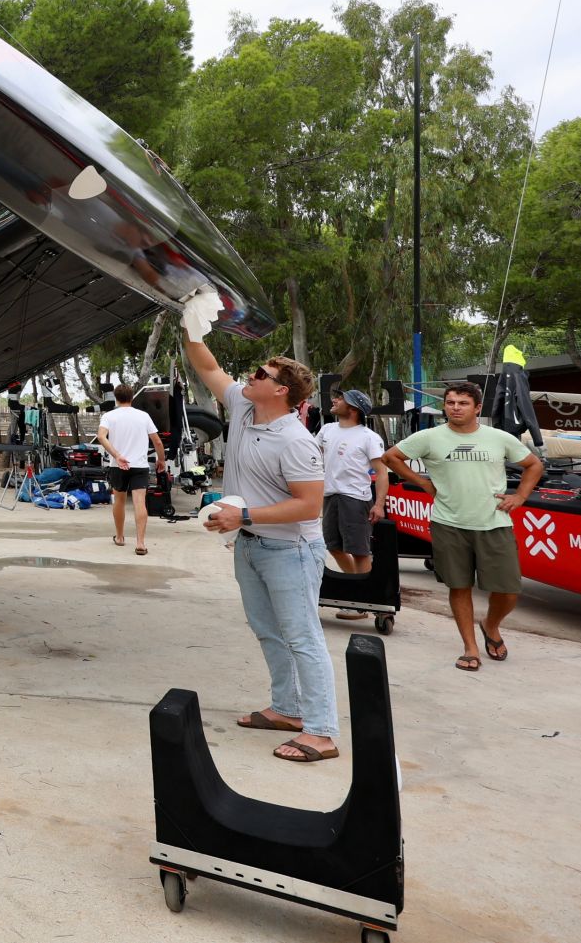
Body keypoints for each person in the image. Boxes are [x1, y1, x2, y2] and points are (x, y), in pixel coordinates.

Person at [181, 295, 335, 764]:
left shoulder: (296, 440)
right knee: (267, 630)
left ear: (282, 391)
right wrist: (191, 327)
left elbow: (309, 506)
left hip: (291, 551)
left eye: (262, 375)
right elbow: (208, 369)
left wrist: (242, 516)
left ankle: (323, 731)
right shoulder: (245, 409)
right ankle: (287, 710)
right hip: (250, 547)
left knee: (303, 636)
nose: (252, 376)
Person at [382, 382, 543, 672]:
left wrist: (520, 495)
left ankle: (491, 625)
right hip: (449, 523)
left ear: (477, 408)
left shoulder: (498, 438)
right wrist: (422, 483)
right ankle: (470, 648)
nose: (455, 407)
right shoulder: (430, 437)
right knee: (459, 586)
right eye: (451, 402)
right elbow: (391, 457)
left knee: (508, 590)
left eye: (463, 403)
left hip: (494, 523)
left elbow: (533, 465)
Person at [318, 388, 389, 619]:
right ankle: (356, 590)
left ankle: (366, 602)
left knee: (359, 551)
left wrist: (379, 504)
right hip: (330, 496)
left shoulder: (368, 437)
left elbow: (381, 472)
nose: (335, 400)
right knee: (333, 546)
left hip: (356, 499)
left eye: (341, 399)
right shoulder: (327, 430)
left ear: (353, 408)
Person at [95, 384, 166, 554]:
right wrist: (161, 460)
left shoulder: (109, 416)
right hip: (139, 466)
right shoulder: (143, 416)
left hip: (118, 466)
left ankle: (119, 537)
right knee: (139, 503)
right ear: (132, 397)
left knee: (119, 501)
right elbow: (157, 441)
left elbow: (100, 437)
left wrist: (117, 455)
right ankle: (140, 543)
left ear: (116, 398)